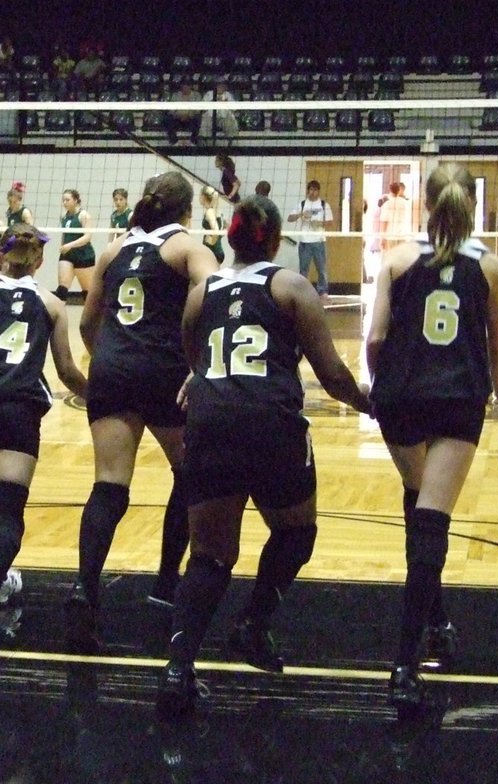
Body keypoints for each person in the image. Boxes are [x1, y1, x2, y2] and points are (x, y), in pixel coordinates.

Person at [156, 196, 371, 718]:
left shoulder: (201, 292)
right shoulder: (290, 286)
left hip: (210, 425)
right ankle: (253, 624)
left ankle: (177, 670)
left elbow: (193, 353)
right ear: (274, 240)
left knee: (208, 556)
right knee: (296, 532)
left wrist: (207, 379)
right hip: (271, 425)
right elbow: (332, 374)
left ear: (229, 239)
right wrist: (376, 407)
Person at [365, 163, 498, 712]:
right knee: (431, 523)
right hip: (457, 400)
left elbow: (376, 340)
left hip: (400, 401)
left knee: (419, 508)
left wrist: (380, 393)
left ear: (425, 206)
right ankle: (404, 665)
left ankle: (437, 620)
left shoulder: (396, 260)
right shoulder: (492, 268)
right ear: (470, 206)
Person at [65, 171, 220, 653]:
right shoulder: (186, 248)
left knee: (109, 486)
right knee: (188, 474)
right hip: (165, 371)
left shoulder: (112, 251)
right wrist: (202, 357)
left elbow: (89, 322)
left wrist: (108, 358)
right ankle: (166, 586)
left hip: (112, 371)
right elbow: (214, 294)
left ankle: (84, 591)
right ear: (185, 211)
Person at [0, 224, 88, 651]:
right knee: (8, 510)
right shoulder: (50, 304)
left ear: (0, 258)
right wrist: (98, 395)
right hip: (16, 409)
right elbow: (66, 370)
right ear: (41, 261)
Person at [286, 180, 334, 297]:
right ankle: (303, 291)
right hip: (304, 241)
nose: (313, 192)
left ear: (318, 191)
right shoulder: (302, 204)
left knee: (321, 269)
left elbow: (330, 222)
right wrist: (300, 214)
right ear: (308, 191)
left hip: (319, 241)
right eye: (311, 190)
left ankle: (323, 291)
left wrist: (319, 223)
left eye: (315, 190)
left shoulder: (324, 205)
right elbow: (289, 218)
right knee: (303, 269)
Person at [56, 189, 95, 301]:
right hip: (67, 255)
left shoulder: (84, 215)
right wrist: (63, 245)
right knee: (62, 288)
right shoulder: (64, 216)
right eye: (63, 200)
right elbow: (65, 233)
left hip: (84, 255)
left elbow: (87, 237)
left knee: (87, 291)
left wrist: (70, 245)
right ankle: (58, 317)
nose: (64, 202)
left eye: (67, 200)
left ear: (76, 200)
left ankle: (91, 318)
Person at [379, 182, 413, 249]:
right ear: (399, 190)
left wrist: (382, 239)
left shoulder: (387, 204)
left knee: (392, 257)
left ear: (390, 190)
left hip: (391, 236)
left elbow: (384, 222)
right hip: (403, 235)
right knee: (402, 258)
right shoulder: (406, 203)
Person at [199, 186, 224, 263]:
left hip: (212, 251)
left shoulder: (210, 212)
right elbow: (223, 229)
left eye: (200, 195)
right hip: (216, 251)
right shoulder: (217, 211)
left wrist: (211, 241)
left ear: (203, 197)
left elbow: (216, 231)